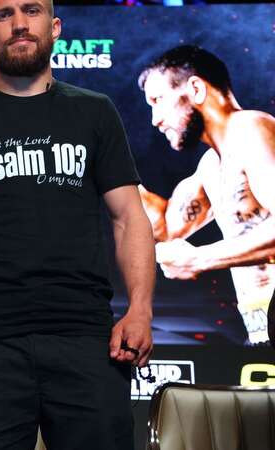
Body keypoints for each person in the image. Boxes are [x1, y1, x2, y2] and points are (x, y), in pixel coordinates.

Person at [0, 1, 155, 449]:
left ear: (54, 26)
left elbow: (128, 218)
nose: (20, 23)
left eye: (32, 10)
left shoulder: (95, 113)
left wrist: (140, 307)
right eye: (3, 15)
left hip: (86, 337)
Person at [137, 45, 275, 346]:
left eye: (158, 101)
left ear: (196, 89)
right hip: (259, 330)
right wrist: (111, 167)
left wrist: (199, 258)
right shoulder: (211, 165)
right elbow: (165, 229)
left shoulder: (250, 129)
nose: (155, 120)